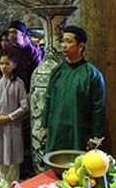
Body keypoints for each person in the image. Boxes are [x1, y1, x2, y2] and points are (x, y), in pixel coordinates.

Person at [41, 25, 106, 153]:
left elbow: (98, 108)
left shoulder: (92, 74)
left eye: (69, 41)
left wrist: (96, 137)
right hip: (56, 131)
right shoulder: (57, 71)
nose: (64, 45)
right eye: (63, 41)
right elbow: (48, 99)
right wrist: (44, 126)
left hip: (79, 131)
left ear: (80, 46)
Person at [0, 52, 29, 188]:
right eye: (1, 63)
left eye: (7, 63)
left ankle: (12, 180)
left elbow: (24, 106)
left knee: (12, 152)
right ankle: (2, 178)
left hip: (12, 124)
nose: (4, 67)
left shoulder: (18, 83)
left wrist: (9, 117)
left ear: (14, 65)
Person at [6, 21, 42, 91]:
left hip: (26, 87)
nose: (11, 35)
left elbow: (37, 71)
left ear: (22, 34)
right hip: (10, 87)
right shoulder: (7, 51)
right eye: (10, 33)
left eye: (14, 32)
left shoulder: (32, 51)